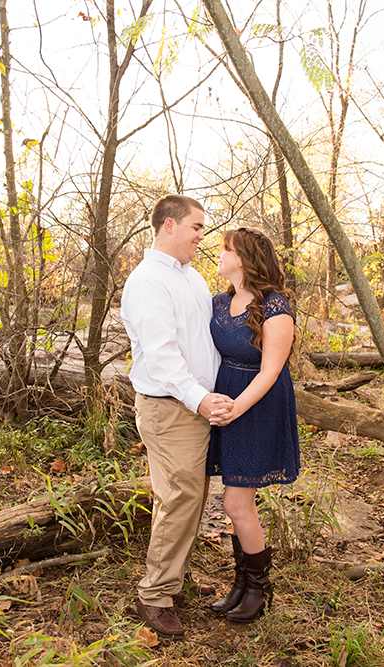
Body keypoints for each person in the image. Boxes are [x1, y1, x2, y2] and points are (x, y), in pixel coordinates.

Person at [121, 194, 234, 637]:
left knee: (191, 498)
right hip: (171, 408)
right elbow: (163, 356)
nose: (202, 236)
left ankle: (171, 582)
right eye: (196, 227)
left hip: (196, 404)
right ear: (169, 226)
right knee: (180, 499)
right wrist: (200, 398)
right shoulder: (148, 281)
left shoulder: (190, 277)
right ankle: (155, 594)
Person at [205, 226, 300, 623]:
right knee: (235, 500)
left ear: (244, 257)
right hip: (224, 398)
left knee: (235, 502)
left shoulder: (274, 307)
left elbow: (271, 371)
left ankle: (259, 588)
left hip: (256, 404)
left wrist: (236, 408)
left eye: (226, 248)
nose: (219, 254)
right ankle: (242, 584)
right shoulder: (218, 302)